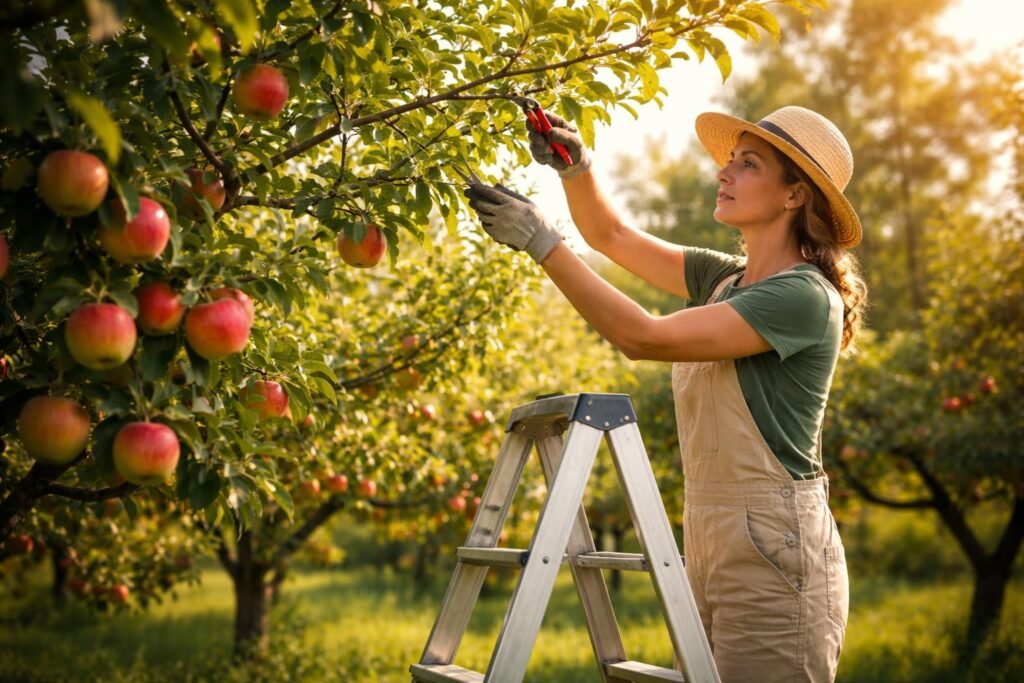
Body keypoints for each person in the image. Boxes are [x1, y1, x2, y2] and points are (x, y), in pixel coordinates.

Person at [464, 105, 867, 682]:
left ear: (794, 195)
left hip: (776, 548)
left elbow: (643, 337)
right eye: (731, 160)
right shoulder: (723, 280)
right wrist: (576, 169)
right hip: (706, 533)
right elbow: (611, 236)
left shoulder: (802, 296)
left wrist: (542, 242)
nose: (724, 173)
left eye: (748, 165)